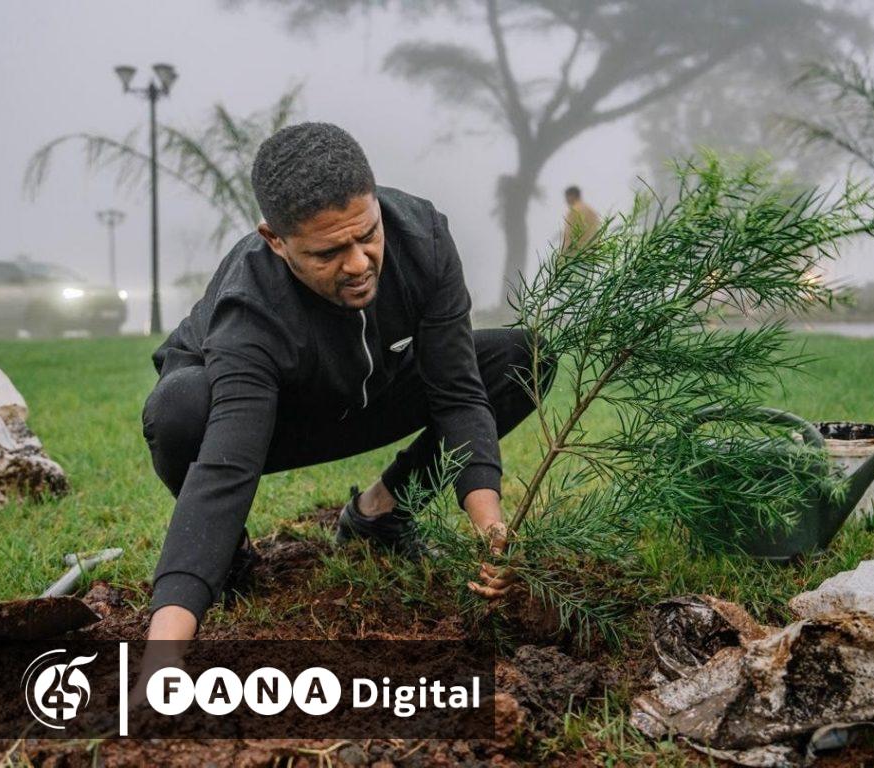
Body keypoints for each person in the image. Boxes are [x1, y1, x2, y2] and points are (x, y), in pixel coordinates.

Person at [140, 122, 557, 642]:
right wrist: (163, 649)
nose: (359, 263)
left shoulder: (421, 237)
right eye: (328, 253)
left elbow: (458, 392)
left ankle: (379, 514)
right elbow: (228, 465)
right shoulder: (250, 307)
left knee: (522, 357)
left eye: (368, 235)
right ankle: (228, 557)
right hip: (261, 418)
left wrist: (490, 528)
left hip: (369, 391)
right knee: (178, 408)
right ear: (275, 240)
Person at [560, 185, 601, 254]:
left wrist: (564, 255)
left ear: (572, 196)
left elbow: (569, 235)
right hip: (591, 251)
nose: (566, 200)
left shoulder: (574, 211)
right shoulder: (591, 210)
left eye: (567, 196)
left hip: (577, 252)